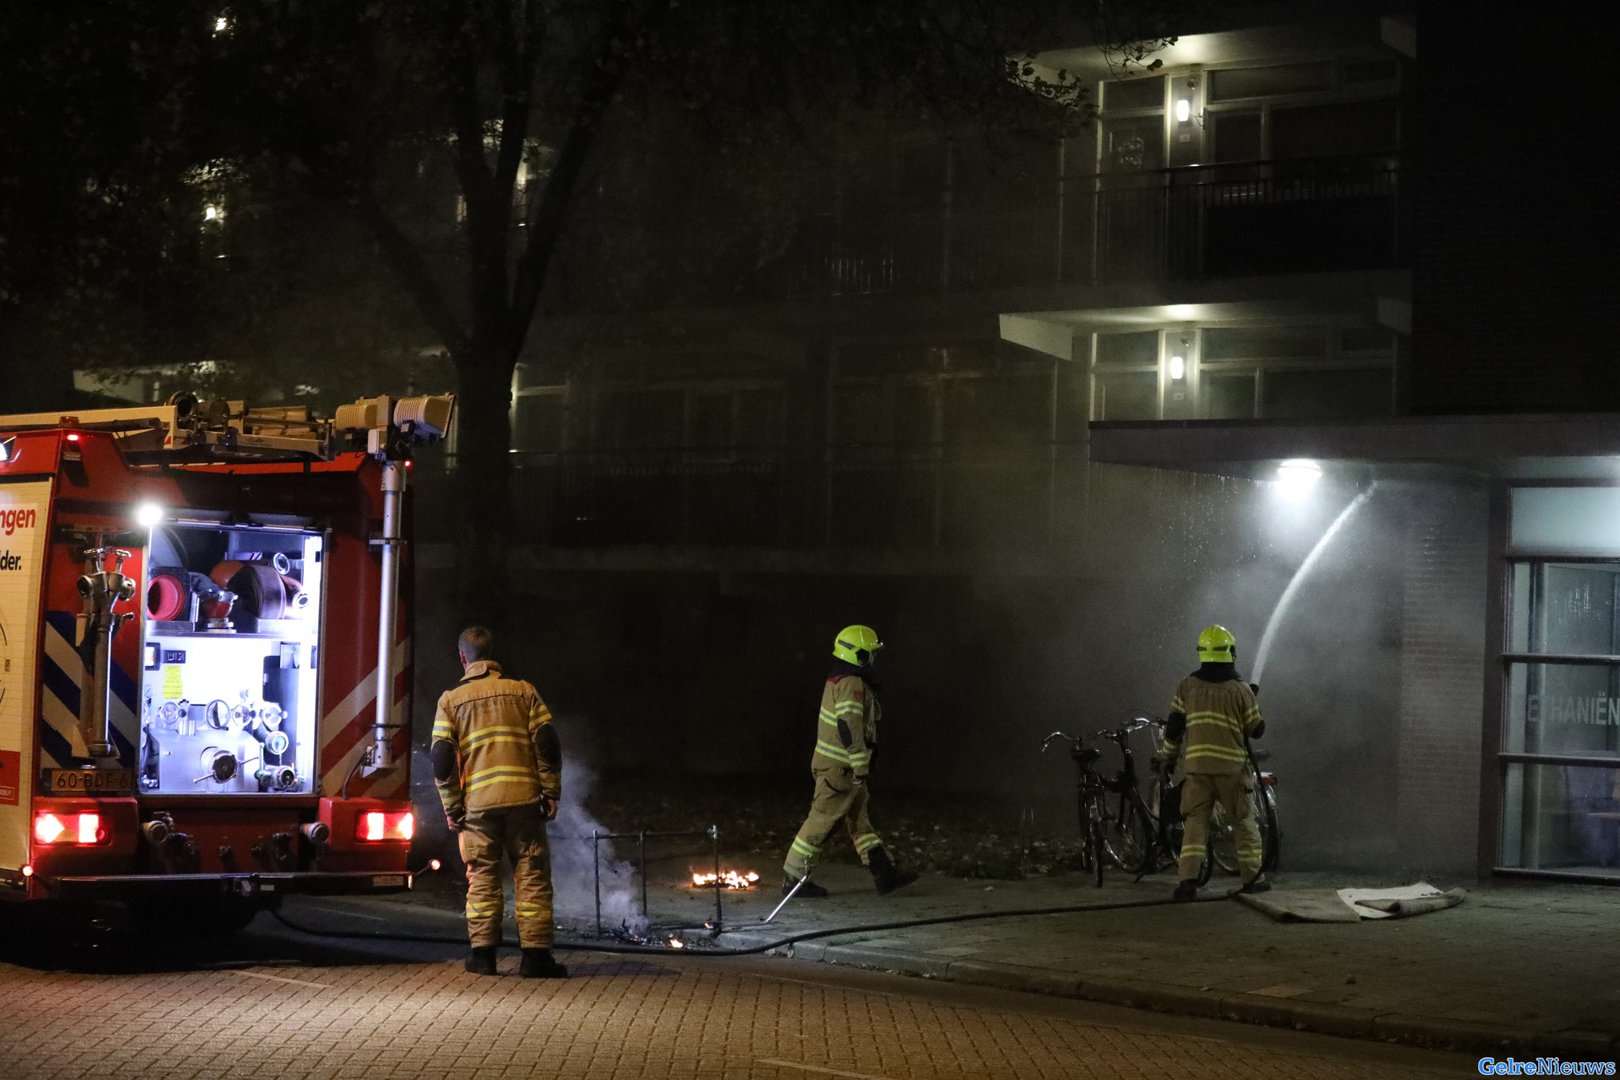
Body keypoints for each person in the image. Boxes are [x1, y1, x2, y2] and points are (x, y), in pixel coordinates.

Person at [431, 625, 567, 977]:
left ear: (463, 657)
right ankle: (536, 959)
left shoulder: (450, 700)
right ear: (493, 655)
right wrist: (550, 791)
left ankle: (483, 957)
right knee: (532, 875)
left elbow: (442, 758)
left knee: (482, 877)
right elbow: (547, 743)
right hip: (525, 802)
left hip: (477, 806)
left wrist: (452, 806)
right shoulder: (524, 691)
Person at [782, 624, 918, 898]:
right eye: (870, 653)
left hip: (844, 771)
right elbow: (849, 725)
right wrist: (860, 764)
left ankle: (884, 873)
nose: (873, 659)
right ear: (859, 655)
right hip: (841, 771)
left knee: (860, 824)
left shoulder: (841, 680)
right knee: (820, 823)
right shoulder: (852, 684)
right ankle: (794, 879)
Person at [1159, 624, 1269, 901]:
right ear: (1230, 652)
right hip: (1232, 770)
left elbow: (1174, 728)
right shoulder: (1240, 690)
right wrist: (1252, 699)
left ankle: (1187, 882)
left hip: (1197, 770)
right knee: (1244, 822)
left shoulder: (1187, 687)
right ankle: (1252, 879)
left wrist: (1167, 758)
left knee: (1195, 824)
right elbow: (1256, 729)